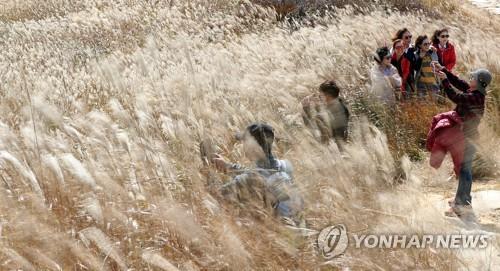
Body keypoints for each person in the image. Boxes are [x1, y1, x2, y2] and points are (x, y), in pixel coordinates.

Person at [212, 123, 304, 223]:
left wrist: (209, 176)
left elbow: (217, 194)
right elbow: (262, 172)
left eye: (245, 142)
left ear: (252, 146)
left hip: (275, 230)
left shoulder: (247, 179)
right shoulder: (286, 166)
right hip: (297, 225)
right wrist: (228, 166)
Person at [434, 63, 492, 217]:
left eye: (473, 77)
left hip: (468, 140)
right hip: (465, 138)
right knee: (463, 171)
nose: (470, 78)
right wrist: (443, 70)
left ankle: (460, 205)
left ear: (479, 82)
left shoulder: (476, 97)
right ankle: (463, 201)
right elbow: (458, 83)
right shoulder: (473, 91)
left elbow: (455, 96)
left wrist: (444, 81)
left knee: (464, 171)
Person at [301, 80, 350, 148]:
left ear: (328, 96)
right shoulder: (340, 105)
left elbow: (313, 130)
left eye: (321, 95)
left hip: (331, 149)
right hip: (337, 146)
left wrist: (305, 109)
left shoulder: (334, 111)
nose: (319, 97)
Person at [392, 28, 417, 97]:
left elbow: (424, 46)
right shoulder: (394, 50)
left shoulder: (413, 48)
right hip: (398, 81)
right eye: (406, 37)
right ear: (400, 39)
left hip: (410, 80)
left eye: (410, 36)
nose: (409, 39)